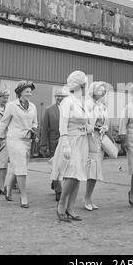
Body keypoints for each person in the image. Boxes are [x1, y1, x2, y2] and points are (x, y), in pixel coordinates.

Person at [51, 71, 92, 222]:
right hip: (70, 141)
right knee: (72, 172)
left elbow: (84, 121)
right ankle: (61, 204)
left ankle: (71, 208)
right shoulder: (67, 102)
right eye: (84, 84)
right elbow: (63, 125)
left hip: (82, 142)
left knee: (78, 175)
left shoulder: (83, 102)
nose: (85, 87)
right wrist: (66, 145)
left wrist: (88, 126)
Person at [0, 81, 38, 208]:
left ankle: (8, 189)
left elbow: (35, 122)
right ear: (20, 92)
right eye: (27, 91)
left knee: (18, 166)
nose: (30, 94)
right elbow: (4, 122)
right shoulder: (12, 105)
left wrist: (34, 129)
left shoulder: (33, 106)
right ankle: (24, 196)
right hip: (14, 139)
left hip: (27, 140)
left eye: (30, 92)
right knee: (21, 167)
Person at [40, 88, 68, 201]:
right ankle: (58, 190)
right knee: (55, 165)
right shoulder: (49, 110)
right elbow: (44, 128)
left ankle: (55, 181)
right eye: (58, 96)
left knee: (64, 165)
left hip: (67, 142)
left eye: (62, 96)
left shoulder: (70, 109)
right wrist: (43, 144)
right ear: (55, 97)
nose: (60, 98)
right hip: (54, 142)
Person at [85, 82, 109, 211]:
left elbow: (107, 122)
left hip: (99, 140)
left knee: (95, 171)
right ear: (93, 90)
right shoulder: (87, 104)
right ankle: (86, 199)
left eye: (105, 90)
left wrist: (104, 128)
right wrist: (93, 128)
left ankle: (88, 198)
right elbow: (83, 123)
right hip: (88, 139)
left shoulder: (103, 106)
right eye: (101, 89)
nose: (103, 92)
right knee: (90, 170)